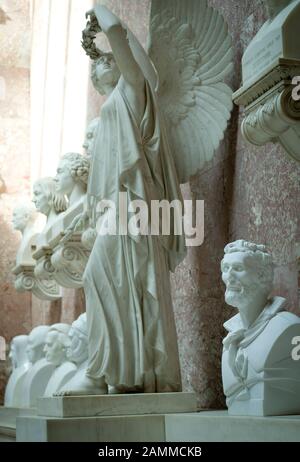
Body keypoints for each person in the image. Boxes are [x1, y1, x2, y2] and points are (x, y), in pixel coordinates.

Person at [62, 5, 186, 395]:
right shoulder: (111, 110)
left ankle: (103, 374)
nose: (99, 65)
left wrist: (100, 11)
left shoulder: (132, 92)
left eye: (105, 60)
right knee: (108, 278)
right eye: (96, 64)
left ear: (121, 66)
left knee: (98, 274)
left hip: (133, 208)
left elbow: (118, 35)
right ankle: (126, 373)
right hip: (117, 210)